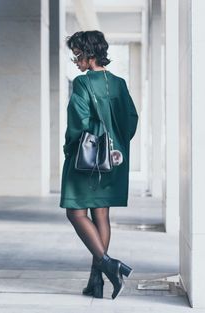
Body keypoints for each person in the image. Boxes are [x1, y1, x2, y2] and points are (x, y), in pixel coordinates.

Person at [59, 30, 139, 299]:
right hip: (113, 161)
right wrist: (115, 143)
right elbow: (131, 118)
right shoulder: (119, 83)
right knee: (101, 215)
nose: (76, 62)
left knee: (75, 213)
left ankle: (109, 265)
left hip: (87, 160)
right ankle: (96, 282)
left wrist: (69, 149)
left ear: (88, 54)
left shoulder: (82, 84)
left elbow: (78, 123)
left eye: (77, 55)